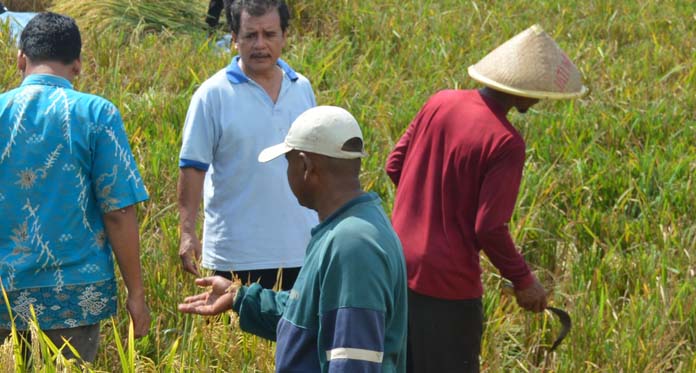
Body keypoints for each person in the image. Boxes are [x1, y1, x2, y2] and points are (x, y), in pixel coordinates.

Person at [385, 24, 587, 373]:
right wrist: (524, 280)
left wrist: (429, 204)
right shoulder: (505, 142)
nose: (540, 99)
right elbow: (490, 227)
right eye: (538, 92)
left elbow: (394, 165)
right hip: (448, 288)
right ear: (521, 91)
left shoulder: (439, 101)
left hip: (395, 266)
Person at [179, 106, 408, 372]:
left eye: (288, 162)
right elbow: (305, 313)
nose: (287, 172)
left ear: (306, 166)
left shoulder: (352, 245)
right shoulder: (347, 228)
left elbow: (354, 359)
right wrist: (238, 296)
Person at [0, 12, 150, 364]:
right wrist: (136, 293)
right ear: (78, 64)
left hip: (4, 296)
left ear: (21, 59)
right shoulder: (97, 114)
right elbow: (119, 211)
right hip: (76, 300)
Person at [178, 0, 317, 291]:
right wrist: (187, 232)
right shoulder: (212, 95)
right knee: (233, 338)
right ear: (233, 39)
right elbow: (192, 167)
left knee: (298, 336)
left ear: (284, 36)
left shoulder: (301, 87)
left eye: (269, 34)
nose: (260, 44)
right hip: (235, 257)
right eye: (250, 35)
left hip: (301, 251)